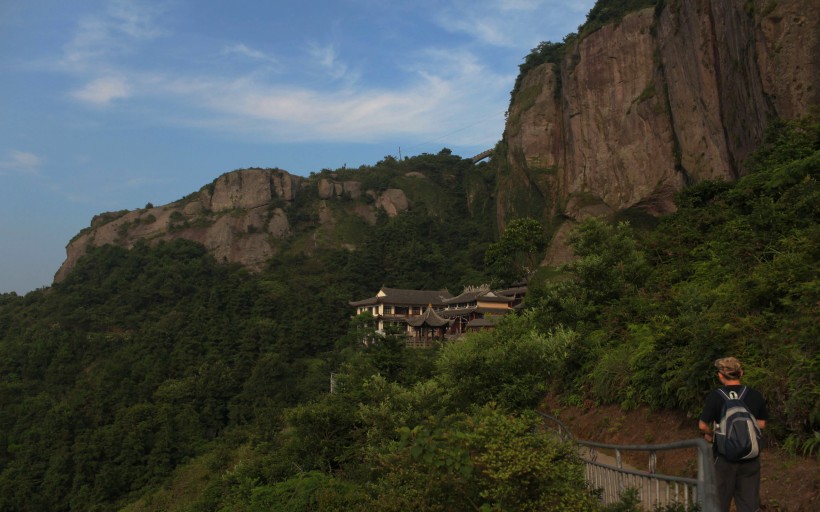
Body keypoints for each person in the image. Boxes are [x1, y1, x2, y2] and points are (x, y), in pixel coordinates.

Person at [699, 357, 768, 512]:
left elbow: (702, 425)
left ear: (720, 376)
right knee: (749, 504)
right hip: (751, 458)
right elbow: (762, 424)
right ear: (741, 373)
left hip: (724, 459)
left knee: (719, 503)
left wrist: (710, 434)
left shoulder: (716, 396)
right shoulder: (755, 395)